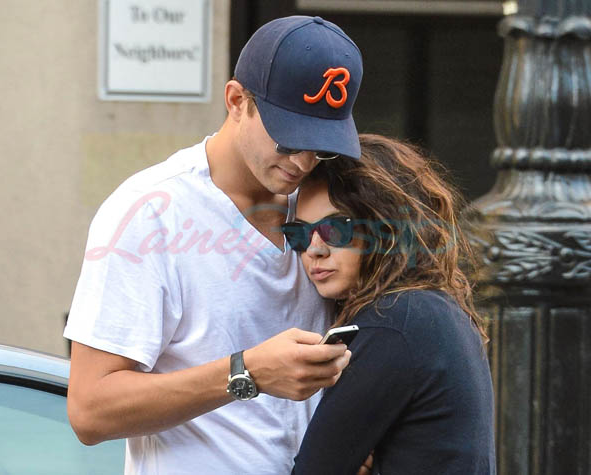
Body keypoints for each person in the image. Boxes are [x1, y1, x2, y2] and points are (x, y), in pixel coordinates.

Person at [64, 16, 365, 474]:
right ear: (237, 101)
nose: (304, 161)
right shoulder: (150, 212)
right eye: (288, 140)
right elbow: (89, 411)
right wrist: (247, 372)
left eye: (321, 146)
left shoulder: (323, 203)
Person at [285, 134, 496, 474]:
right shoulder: (431, 309)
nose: (314, 249)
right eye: (298, 234)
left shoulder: (393, 322)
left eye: (335, 229)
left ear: (385, 228)